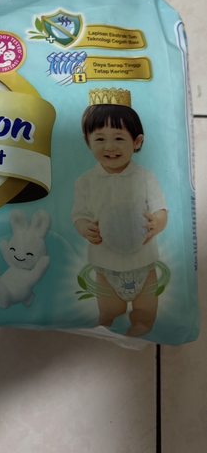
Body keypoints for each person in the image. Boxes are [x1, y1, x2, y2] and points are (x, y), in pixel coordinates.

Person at [72, 89, 168, 337]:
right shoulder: (86, 182)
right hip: (106, 264)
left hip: (143, 262)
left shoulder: (145, 177)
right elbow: (79, 214)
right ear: (87, 141)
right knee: (109, 310)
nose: (109, 147)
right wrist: (84, 227)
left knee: (146, 309)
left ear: (137, 142)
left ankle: (141, 324)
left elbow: (160, 208)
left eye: (118, 138)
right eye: (100, 139)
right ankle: (109, 324)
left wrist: (157, 221)